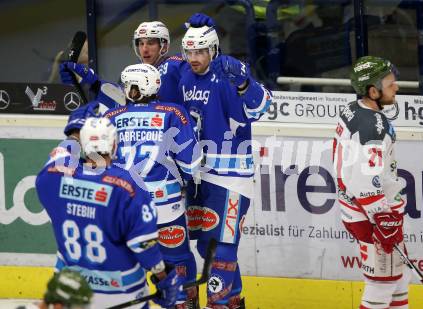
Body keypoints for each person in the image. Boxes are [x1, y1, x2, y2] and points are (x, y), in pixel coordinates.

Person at [35, 117, 183, 309]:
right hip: (121, 292)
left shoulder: (53, 176)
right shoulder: (128, 186)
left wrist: (74, 133)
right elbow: (143, 245)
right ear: (114, 145)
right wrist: (163, 278)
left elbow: (59, 154)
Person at [179, 22, 272, 308]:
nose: (194, 58)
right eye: (189, 51)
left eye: (201, 51)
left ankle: (217, 304)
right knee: (206, 244)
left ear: (214, 49)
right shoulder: (182, 74)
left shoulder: (229, 74)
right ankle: (233, 303)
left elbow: (262, 108)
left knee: (223, 246)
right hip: (197, 175)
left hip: (232, 176)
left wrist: (245, 82)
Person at [104, 63, 202, 309]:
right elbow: (192, 163)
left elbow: (96, 165)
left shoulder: (109, 117)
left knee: (129, 264)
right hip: (165, 204)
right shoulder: (173, 112)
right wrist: (187, 183)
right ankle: (183, 303)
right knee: (177, 260)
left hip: (124, 206)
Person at [332, 56, 410, 309]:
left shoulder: (354, 109)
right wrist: (382, 218)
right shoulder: (371, 129)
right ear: (373, 91)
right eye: (390, 84)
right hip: (371, 216)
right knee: (382, 283)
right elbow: (363, 182)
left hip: (364, 211)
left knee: (398, 278)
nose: (396, 87)